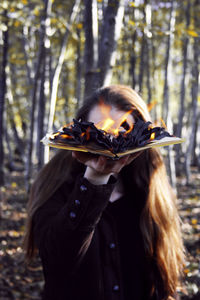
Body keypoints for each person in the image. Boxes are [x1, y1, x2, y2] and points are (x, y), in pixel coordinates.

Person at [23, 85, 185, 300]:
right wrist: (95, 178)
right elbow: (56, 262)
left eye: (123, 131)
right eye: (100, 131)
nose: (111, 142)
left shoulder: (151, 190)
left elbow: (163, 277)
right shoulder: (54, 185)